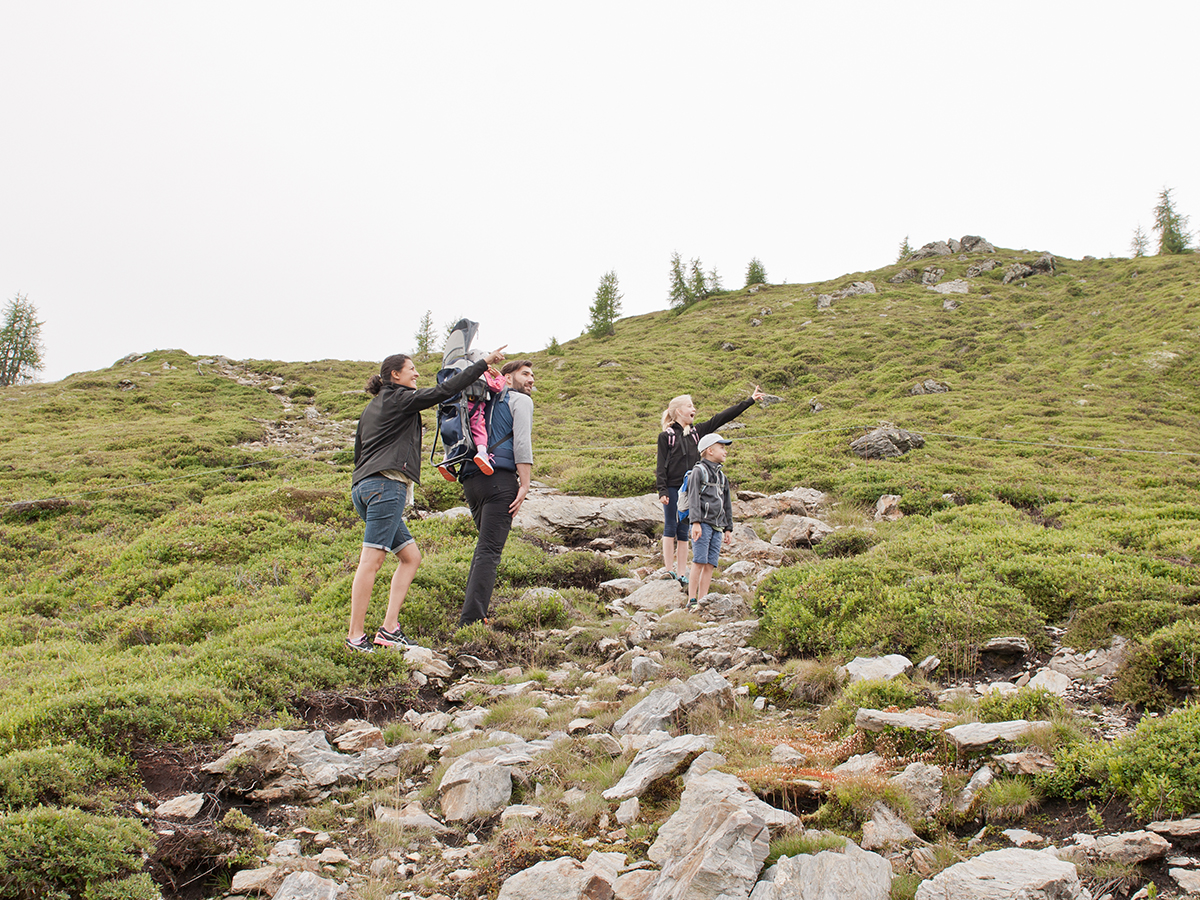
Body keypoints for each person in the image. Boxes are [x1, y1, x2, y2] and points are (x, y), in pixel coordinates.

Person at [346, 345, 506, 652]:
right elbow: (445, 390)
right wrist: (483, 364)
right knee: (372, 561)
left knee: (410, 557)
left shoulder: (373, 407)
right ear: (395, 375)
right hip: (386, 487)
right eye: (411, 369)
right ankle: (355, 637)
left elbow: (359, 451)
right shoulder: (399, 398)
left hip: (364, 488)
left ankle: (389, 629)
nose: (417, 373)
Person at [655, 386, 765, 586]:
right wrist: (662, 489)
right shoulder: (666, 436)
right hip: (672, 488)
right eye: (690, 405)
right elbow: (660, 465)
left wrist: (750, 400)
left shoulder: (697, 432)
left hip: (690, 488)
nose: (693, 408)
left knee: (683, 530)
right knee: (670, 526)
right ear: (679, 411)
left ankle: (681, 573)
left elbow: (721, 418)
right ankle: (668, 570)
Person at [458, 358, 535, 627]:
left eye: (532, 375)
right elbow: (522, 442)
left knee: (484, 548)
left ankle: (472, 612)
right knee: (490, 551)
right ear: (508, 377)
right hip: (499, 480)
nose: (531, 379)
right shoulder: (520, 401)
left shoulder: (482, 400)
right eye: (525, 374)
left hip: (471, 480)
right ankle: (472, 621)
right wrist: (524, 485)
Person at [685, 433, 734, 610]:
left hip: (717, 526)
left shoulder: (722, 476)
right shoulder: (699, 471)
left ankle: (703, 599)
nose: (725, 451)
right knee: (699, 560)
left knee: (710, 563)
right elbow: (693, 498)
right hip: (702, 524)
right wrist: (696, 522)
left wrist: (728, 527)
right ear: (710, 450)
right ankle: (692, 600)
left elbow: (727, 503)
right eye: (722, 447)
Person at [437, 363, 508, 480]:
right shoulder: (481, 374)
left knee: (457, 434)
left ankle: (446, 461)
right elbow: (496, 387)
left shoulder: (460, 373)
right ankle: (482, 453)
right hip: (475, 408)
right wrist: (500, 377)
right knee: (479, 430)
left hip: (457, 409)